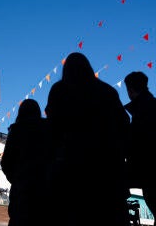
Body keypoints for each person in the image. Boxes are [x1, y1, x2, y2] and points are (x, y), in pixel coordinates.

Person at [45, 52, 130, 226]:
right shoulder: (108, 91)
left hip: (71, 175)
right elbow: (124, 125)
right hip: (108, 174)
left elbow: (52, 130)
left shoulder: (59, 90)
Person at [1, 99, 52, 226]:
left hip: (22, 192)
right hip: (46, 190)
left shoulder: (16, 130)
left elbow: (6, 163)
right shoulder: (49, 128)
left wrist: (17, 179)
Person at [124, 71, 156, 224]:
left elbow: (135, 141)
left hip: (143, 169)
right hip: (146, 168)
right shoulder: (150, 106)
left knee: (141, 214)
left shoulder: (142, 111)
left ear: (130, 90)